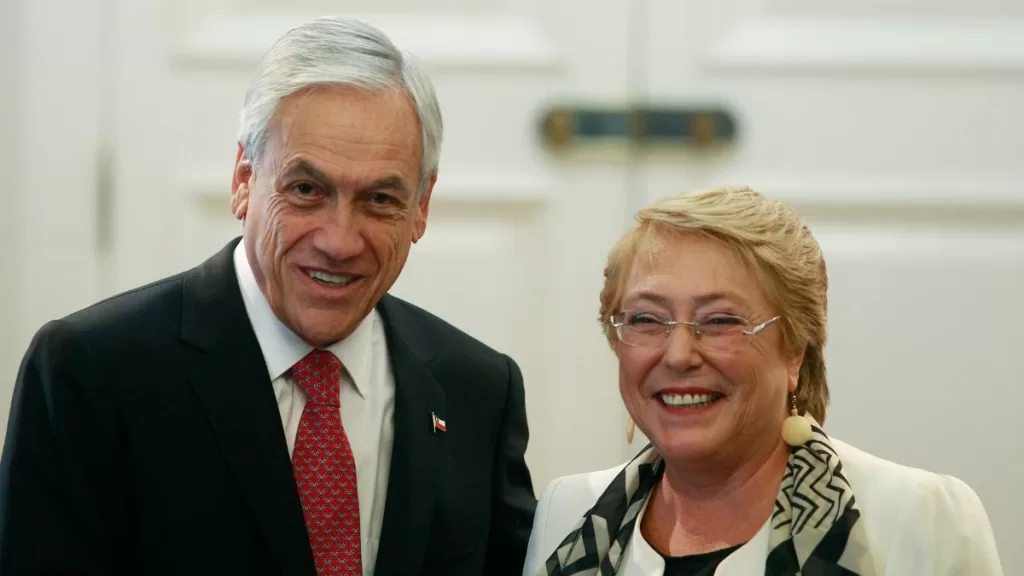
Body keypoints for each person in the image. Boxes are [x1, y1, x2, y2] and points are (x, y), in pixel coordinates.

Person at [0, 16, 536, 576]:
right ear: (242, 179)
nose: (339, 241)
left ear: (421, 207)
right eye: (306, 190)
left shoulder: (477, 389)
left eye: (379, 199)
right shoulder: (92, 373)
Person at [522, 185, 1003, 575]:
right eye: (647, 320)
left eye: (720, 321)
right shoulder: (566, 513)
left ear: (795, 349)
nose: (679, 354)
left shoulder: (920, 518)